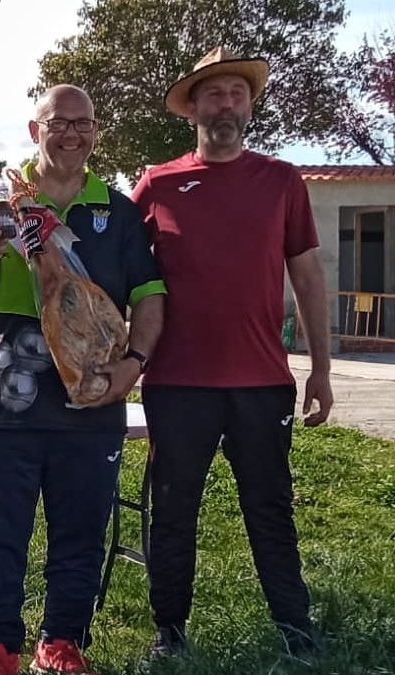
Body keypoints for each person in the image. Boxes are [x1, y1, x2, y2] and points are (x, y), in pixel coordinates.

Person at [0, 84, 166, 675]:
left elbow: (149, 295)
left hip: (91, 400)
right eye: (58, 123)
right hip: (3, 401)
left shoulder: (117, 210)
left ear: (95, 131)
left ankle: (61, 642)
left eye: (83, 123)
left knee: (81, 532)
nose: (72, 134)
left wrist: (134, 363)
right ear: (34, 130)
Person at [131, 46, 334, 661]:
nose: (227, 104)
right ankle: (169, 632)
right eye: (215, 94)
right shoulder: (157, 184)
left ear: (249, 106)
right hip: (177, 383)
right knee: (173, 512)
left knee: (270, 509)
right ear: (193, 108)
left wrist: (321, 368)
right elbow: (123, 280)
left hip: (261, 382)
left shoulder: (281, 181)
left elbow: (307, 276)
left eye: (237, 94)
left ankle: (296, 631)